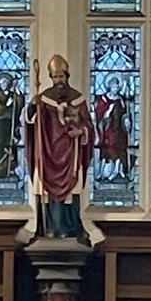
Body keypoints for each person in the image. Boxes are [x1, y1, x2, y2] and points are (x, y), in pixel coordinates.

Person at [24, 52, 94, 243]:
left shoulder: (78, 99)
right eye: (55, 77)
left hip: (70, 153)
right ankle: (47, 228)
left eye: (61, 76)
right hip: (48, 152)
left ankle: (70, 228)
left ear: (67, 76)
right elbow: (31, 124)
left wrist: (81, 132)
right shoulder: (44, 99)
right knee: (45, 191)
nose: (59, 80)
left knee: (71, 192)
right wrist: (32, 106)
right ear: (51, 78)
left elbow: (89, 126)